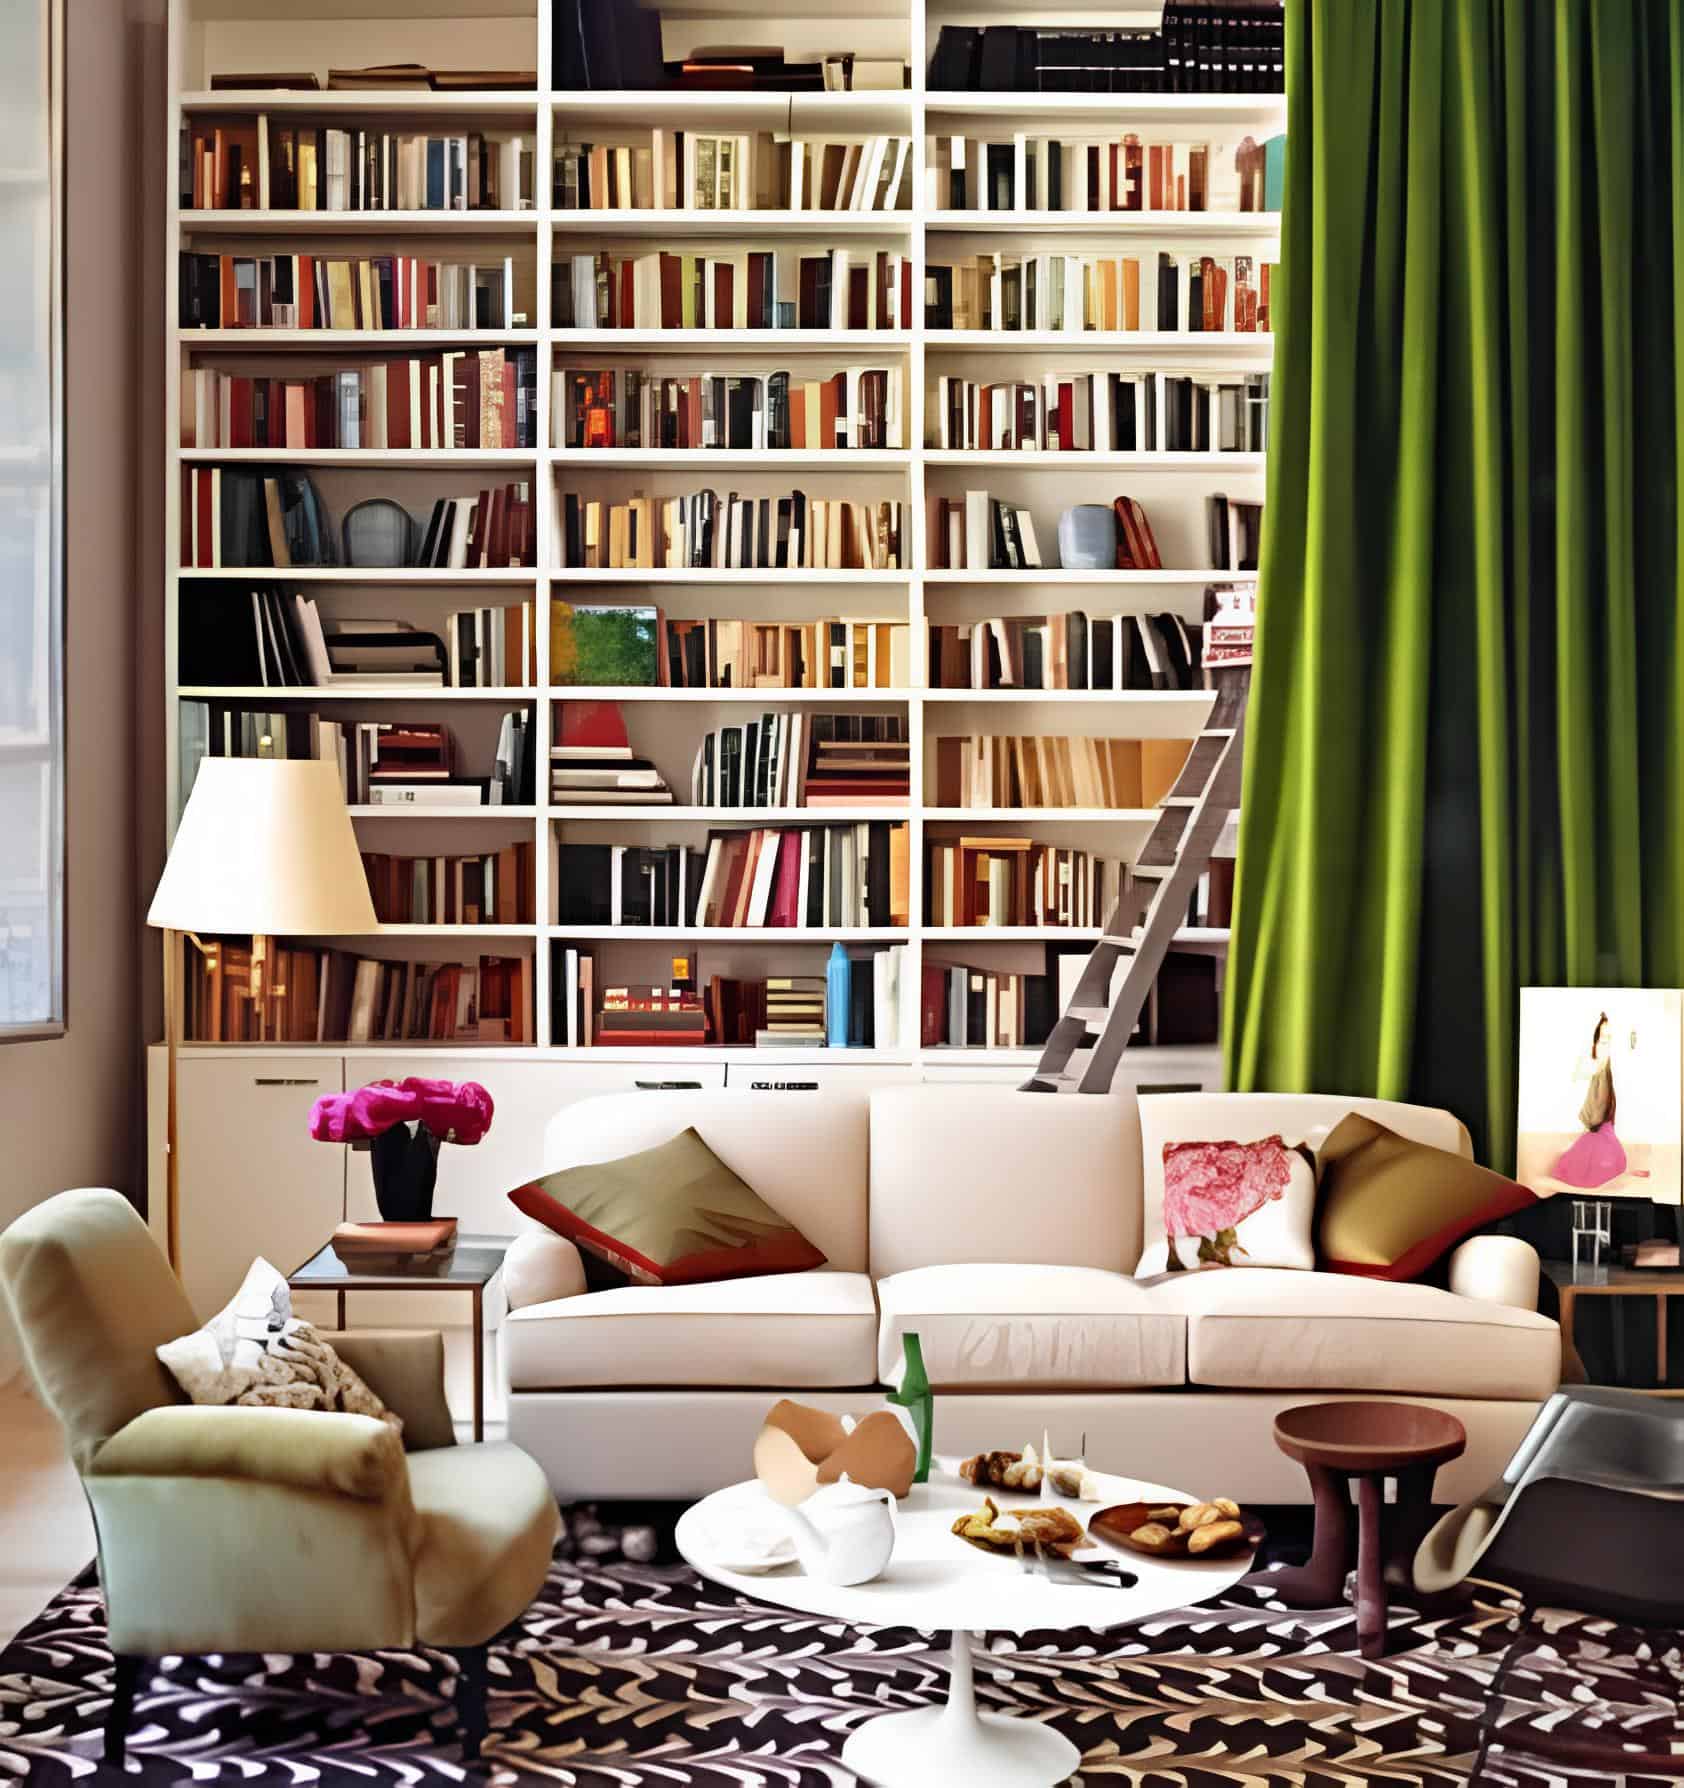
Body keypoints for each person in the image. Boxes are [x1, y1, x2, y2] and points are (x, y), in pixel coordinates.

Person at [1551, 1011, 1628, 1188]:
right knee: (1577, 1159)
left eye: (1609, 1040)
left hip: (1604, 1131)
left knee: (1595, 1158)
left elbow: (1602, 1105)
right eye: (1603, 1040)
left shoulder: (1607, 1070)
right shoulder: (1597, 1069)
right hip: (1597, 1129)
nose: (1606, 1044)